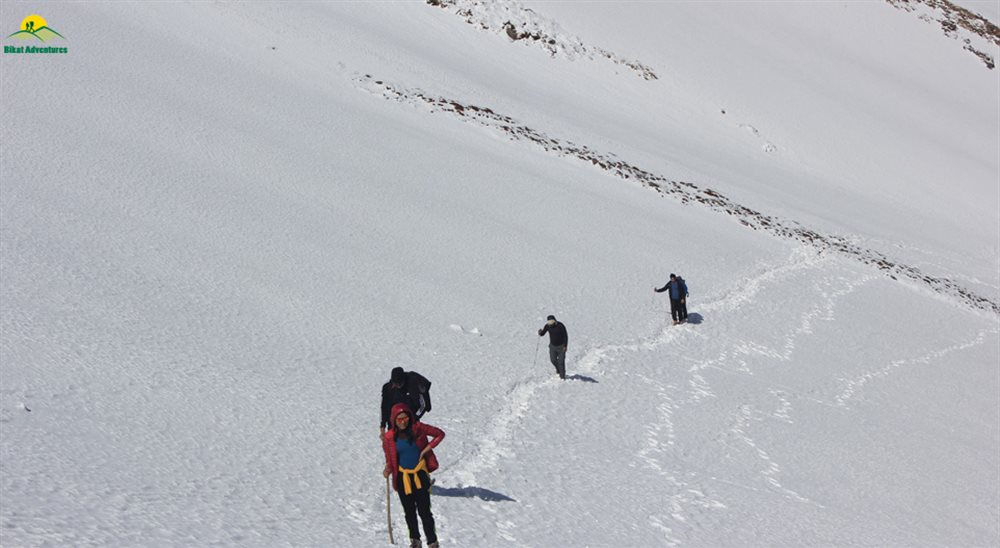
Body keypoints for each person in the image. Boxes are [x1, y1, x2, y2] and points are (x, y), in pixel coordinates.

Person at [382, 403, 444, 548]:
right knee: (409, 512)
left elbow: (440, 434)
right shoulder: (389, 437)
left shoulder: (418, 428)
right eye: (399, 419)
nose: (403, 421)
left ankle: (432, 542)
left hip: (420, 476)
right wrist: (388, 469)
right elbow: (390, 459)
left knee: (424, 512)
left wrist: (425, 450)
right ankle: (415, 541)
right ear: (394, 420)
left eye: (405, 418)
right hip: (403, 478)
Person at [381, 367, 432, 434]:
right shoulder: (388, 388)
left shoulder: (414, 384)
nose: (398, 386)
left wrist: (414, 418)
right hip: (394, 424)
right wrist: (383, 425)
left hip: (411, 421)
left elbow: (423, 405)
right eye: (396, 384)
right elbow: (384, 407)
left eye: (400, 384)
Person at [537, 315, 568, 379]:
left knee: (561, 362)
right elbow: (543, 333)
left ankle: (562, 377)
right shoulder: (547, 326)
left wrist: (565, 346)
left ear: (554, 320)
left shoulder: (560, 325)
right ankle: (558, 369)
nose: (550, 323)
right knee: (553, 360)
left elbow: (565, 336)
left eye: (551, 321)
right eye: (549, 322)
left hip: (561, 347)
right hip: (552, 347)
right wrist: (540, 332)